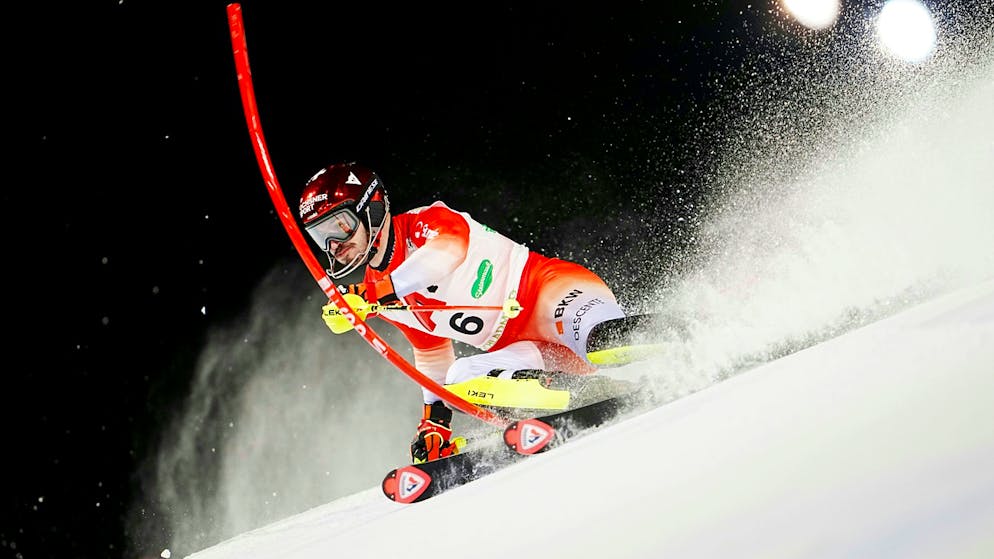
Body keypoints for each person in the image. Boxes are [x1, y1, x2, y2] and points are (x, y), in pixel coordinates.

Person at [299, 162, 627, 463]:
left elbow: (448, 252)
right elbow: (430, 352)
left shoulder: (423, 224)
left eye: (339, 227)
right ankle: (584, 396)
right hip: (529, 352)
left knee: (605, 342)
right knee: (459, 382)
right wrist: (435, 424)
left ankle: (664, 345)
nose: (333, 246)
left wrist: (373, 293)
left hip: (556, 296)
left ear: (370, 209)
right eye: (320, 236)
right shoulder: (379, 296)